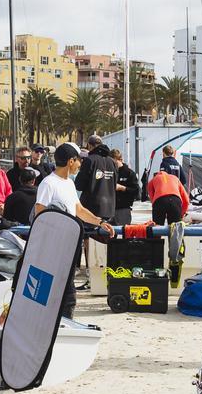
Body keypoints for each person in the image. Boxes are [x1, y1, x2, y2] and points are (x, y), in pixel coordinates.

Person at [35, 143, 114, 318]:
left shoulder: (69, 183)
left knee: (67, 289)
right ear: (71, 161)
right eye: (79, 161)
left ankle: (64, 322)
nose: (80, 165)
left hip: (68, 244)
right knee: (62, 292)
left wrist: (99, 222)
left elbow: (79, 210)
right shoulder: (48, 183)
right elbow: (39, 214)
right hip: (54, 247)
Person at [75, 134, 117, 225]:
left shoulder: (89, 160)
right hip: (109, 209)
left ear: (89, 145)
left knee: (85, 235)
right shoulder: (112, 162)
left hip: (91, 209)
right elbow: (114, 183)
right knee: (106, 237)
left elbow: (79, 185)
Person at [111, 149, 139, 227]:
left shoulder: (129, 173)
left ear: (120, 160)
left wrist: (122, 188)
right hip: (110, 209)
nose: (112, 164)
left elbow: (136, 192)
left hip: (123, 209)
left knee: (125, 234)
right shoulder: (109, 172)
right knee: (109, 236)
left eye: (114, 162)